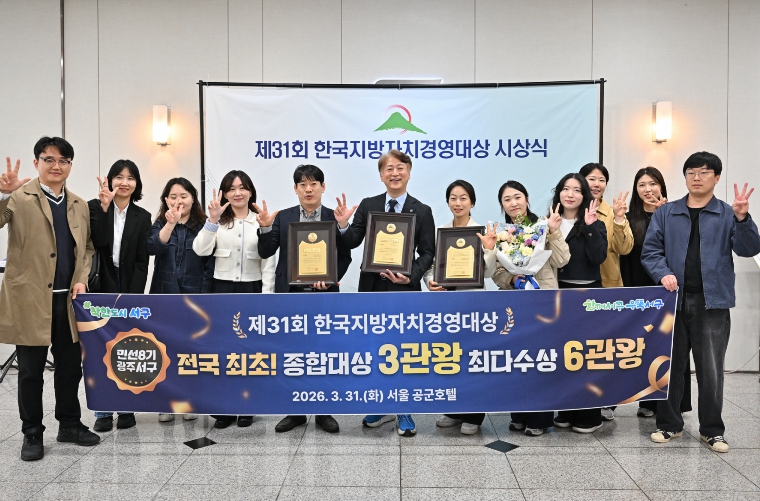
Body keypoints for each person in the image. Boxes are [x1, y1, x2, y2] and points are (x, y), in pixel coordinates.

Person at [642, 152, 760, 452]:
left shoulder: (727, 213)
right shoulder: (667, 213)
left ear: (716, 178)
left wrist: (743, 219)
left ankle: (712, 430)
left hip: (712, 303)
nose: (697, 177)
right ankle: (669, 425)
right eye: (691, 172)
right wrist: (663, 273)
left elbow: (748, 249)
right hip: (672, 301)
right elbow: (651, 251)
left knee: (711, 370)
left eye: (704, 172)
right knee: (670, 366)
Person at [0, 137, 100, 461]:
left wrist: (82, 278)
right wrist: (3, 194)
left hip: (67, 302)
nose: (57, 166)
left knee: (70, 368)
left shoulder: (78, 204)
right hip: (31, 300)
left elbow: (86, 249)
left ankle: (69, 424)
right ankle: (32, 433)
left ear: (70, 165)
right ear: (36, 163)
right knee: (30, 372)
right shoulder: (19, 197)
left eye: (63, 161)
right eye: (49, 159)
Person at [334, 149, 435, 436]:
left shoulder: (422, 210)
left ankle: (404, 409)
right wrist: (343, 224)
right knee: (375, 348)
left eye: (400, 167)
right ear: (381, 175)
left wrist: (410, 275)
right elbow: (353, 241)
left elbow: (428, 253)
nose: (395, 173)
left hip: (405, 290)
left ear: (409, 172)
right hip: (372, 289)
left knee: (403, 349)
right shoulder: (369, 205)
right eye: (388, 168)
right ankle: (381, 403)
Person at [256, 164, 351, 434]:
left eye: (313, 184)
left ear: (323, 187)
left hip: (325, 296)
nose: (308, 189)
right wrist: (265, 228)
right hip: (291, 296)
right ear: (295, 188)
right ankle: (295, 411)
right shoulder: (283, 217)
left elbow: (345, 256)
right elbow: (266, 251)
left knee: (324, 353)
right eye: (302, 184)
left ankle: (324, 412)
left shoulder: (334, 217)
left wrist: (331, 279)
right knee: (293, 353)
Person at [488, 181, 571, 436]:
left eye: (517, 197)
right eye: (507, 199)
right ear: (502, 205)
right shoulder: (500, 233)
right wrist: (512, 278)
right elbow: (496, 273)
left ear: (526, 199)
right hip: (513, 304)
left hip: (542, 301)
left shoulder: (543, 225)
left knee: (541, 359)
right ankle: (519, 415)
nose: (513, 203)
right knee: (516, 360)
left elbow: (562, 260)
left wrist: (553, 232)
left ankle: (540, 419)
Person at [194, 170, 275, 429]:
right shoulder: (217, 222)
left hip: (252, 289)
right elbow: (200, 250)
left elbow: (268, 264)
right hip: (222, 290)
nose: (237, 193)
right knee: (224, 350)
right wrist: (211, 221)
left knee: (250, 351)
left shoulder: (260, 220)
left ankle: (248, 406)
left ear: (251, 191)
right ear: (224, 194)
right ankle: (225, 407)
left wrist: (267, 298)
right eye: (231, 189)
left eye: (242, 188)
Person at [423, 180, 498, 434]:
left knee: (473, 359)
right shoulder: (441, 232)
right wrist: (430, 281)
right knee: (450, 357)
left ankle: (474, 416)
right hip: (447, 304)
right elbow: (431, 267)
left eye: (463, 198)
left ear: (472, 202)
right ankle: (453, 411)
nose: (458, 203)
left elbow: (488, 273)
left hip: (473, 303)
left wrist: (489, 249)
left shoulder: (481, 231)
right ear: (448, 202)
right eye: (453, 198)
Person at [620, 167, 691, 418]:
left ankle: (672, 402)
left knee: (670, 346)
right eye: (642, 185)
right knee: (641, 347)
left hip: (667, 289)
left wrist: (666, 216)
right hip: (639, 290)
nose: (648, 189)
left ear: (661, 186)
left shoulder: (675, 214)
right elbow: (625, 256)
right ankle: (646, 401)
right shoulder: (628, 218)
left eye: (653, 183)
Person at [89, 160, 152, 432]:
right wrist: (105, 208)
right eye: (119, 177)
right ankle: (103, 411)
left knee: (128, 347)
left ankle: (126, 407)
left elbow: (142, 261)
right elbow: (99, 241)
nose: (124, 182)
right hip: (101, 284)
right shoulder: (94, 207)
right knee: (101, 346)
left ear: (137, 183)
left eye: (130, 178)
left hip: (129, 287)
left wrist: (133, 295)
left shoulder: (143, 216)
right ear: (110, 180)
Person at [148, 177, 213, 423]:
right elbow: (153, 248)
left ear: (193, 198)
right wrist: (170, 224)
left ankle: (188, 401)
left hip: (194, 298)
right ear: (166, 200)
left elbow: (209, 264)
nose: (179, 201)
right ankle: (166, 403)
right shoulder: (160, 223)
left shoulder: (204, 226)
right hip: (164, 296)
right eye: (173, 197)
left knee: (190, 351)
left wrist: (204, 298)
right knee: (165, 349)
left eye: (183, 196)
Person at [549, 173, 608, 434]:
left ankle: (589, 415)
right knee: (563, 356)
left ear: (584, 195)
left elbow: (598, 257)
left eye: (576, 190)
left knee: (586, 357)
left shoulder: (595, 222)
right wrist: (550, 230)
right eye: (565, 189)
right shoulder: (549, 221)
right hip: (558, 295)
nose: (570, 194)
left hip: (587, 296)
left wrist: (590, 227)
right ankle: (565, 410)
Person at [580, 163, 633, 422]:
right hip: (576, 290)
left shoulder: (613, 212)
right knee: (578, 349)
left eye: (601, 180)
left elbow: (625, 249)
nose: (596, 184)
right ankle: (576, 403)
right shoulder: (571, 209)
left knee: (605, 350)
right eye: (591, 178)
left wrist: (620, 220)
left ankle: (606, 402)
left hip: (607, 288)